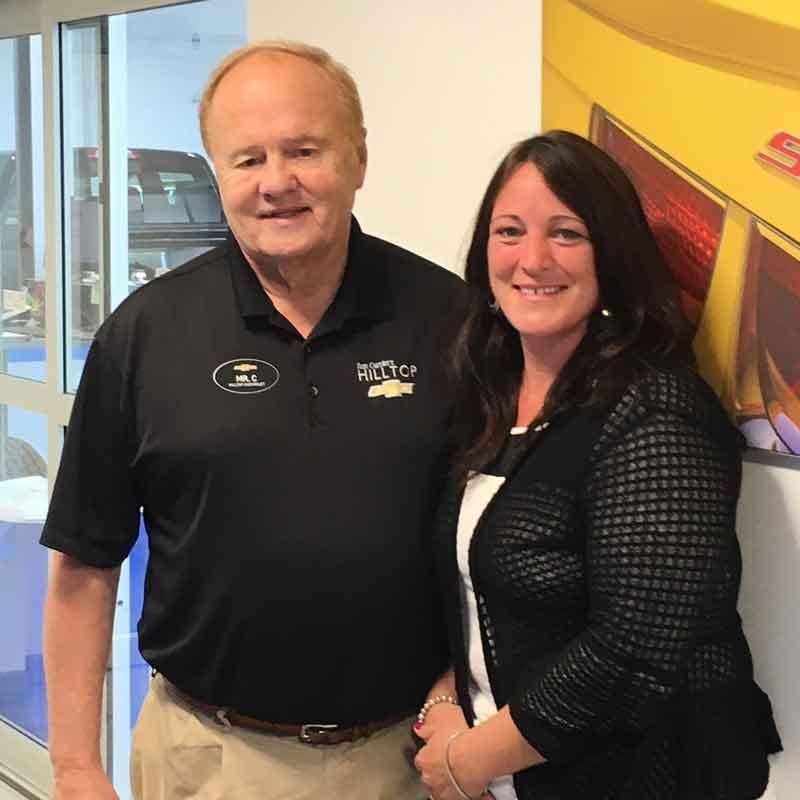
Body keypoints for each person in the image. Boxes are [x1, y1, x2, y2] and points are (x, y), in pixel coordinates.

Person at [41, 41, 464, 800]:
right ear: (217, 174)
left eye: (305, 150)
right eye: (247, 159)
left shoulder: (452, 320)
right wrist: (76, 768)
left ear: (359, 158)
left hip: (413, 761)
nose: (277, 183)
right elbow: (83, 562)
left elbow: (495, 544)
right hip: (207, 759)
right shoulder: (145, 334)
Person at [413, 131, 782, 800]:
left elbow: (634, 649)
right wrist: (445, 705)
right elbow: (469, 586)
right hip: (506, 773)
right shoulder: (489, 399)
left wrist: (467, 760)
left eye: (566, 233)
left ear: (611, 254)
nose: (532, 259)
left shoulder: (656, 408)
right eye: (509, 231)